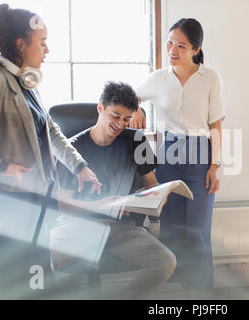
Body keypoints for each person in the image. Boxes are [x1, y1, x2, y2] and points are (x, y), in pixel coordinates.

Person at [0, 4, 101, 298]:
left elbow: (51, 132)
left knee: (39, 283)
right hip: (7, 205)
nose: (47, 50)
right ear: (20, 44)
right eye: (42, 42)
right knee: (25, 287)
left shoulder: (28, 85)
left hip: (36, 204)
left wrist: (79, 166)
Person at [51, 81, 176, 299]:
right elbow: (62, 204)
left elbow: (152, 185)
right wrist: (98, 206)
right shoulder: (72, 150)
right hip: (79, 226)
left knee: (165, 262)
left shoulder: (136, 141)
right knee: (41, 259)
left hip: (120, 228)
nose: (120, 124)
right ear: (100, 108)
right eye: (115, 116)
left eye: (127, 119)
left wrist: (157, 198)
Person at [130, 18, 225, 295]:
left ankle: (203, 294)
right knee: (171, 228)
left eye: (181, 46)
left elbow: (216, 126)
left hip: (200, 156)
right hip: (168, 156)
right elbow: (130, 97)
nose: (172, 50)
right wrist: (138, 109)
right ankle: (177, 291)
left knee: (197, 231)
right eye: (170, 43)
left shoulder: (211, 79)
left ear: (196, 49)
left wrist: (214, 166)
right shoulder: (158, 78)